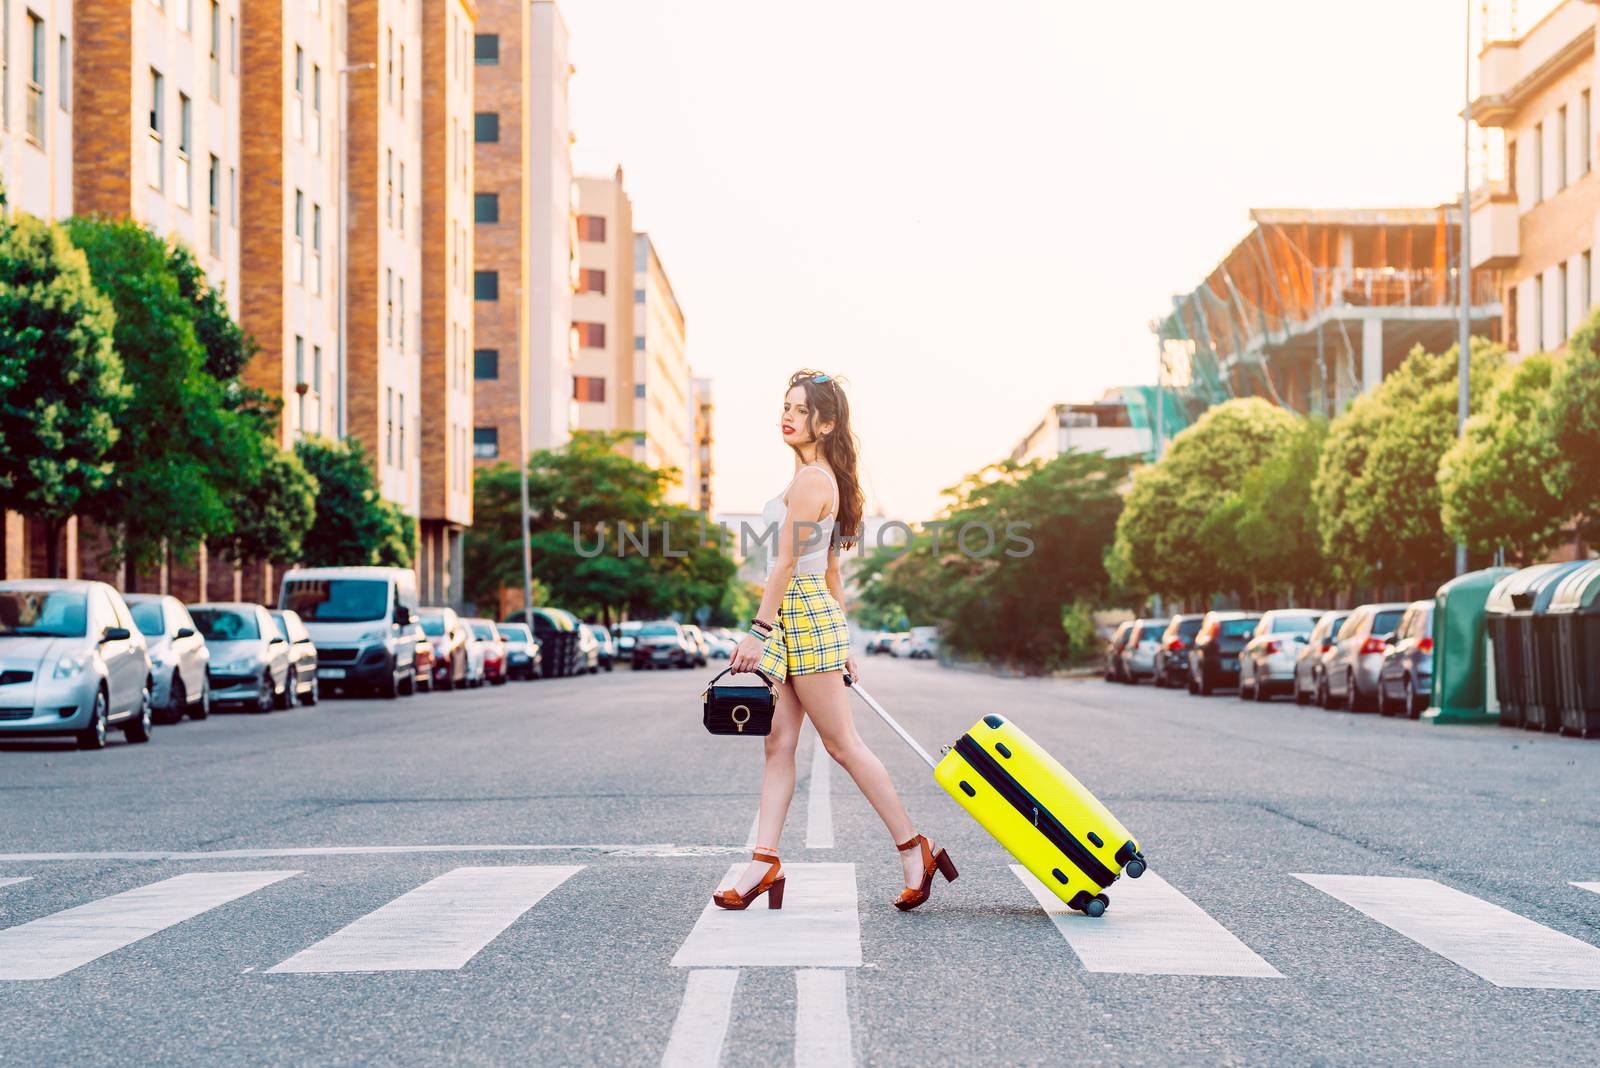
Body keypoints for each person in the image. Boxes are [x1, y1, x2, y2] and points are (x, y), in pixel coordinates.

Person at [714, 370, 956, 912]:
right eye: (786, 407)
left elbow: (786, 566)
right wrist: (842, 638)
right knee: (778, 743)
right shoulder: (814, 479)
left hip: (797, 616)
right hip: (805, 615)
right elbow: (830, 569)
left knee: (843, 745)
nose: (788, 416)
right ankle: (764, 860)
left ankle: (914, 847)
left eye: (800, 410)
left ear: (825, 423)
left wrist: (758, 631)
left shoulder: (813, 482)